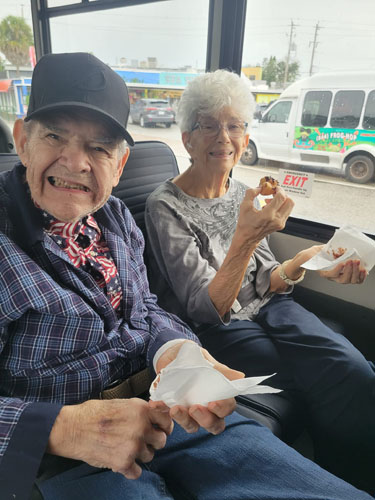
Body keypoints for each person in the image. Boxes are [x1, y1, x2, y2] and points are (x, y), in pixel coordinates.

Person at [0, 52, 373, 500]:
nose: (77, 162)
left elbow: (148, 310)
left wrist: (178, 352)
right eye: (55, 135)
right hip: (65, 455)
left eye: (99, 147)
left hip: (170, 411)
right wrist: (62, 428)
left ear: (119, 166)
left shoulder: (115, 217)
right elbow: (205, 306)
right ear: (22, 141)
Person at [144, 69, 375, 495]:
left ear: (246, 137)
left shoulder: (243, 193)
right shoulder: (164, 206)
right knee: (322, 378)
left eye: (234, 125)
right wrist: (246, 236)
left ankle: (355, 472)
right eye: (208, 125)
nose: (223, 137)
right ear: (187, 138)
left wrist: (311, 260)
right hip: (220, 327)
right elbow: (204, 306)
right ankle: (342, 477)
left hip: (272, 308)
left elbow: (270, 279)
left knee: (353, 368)